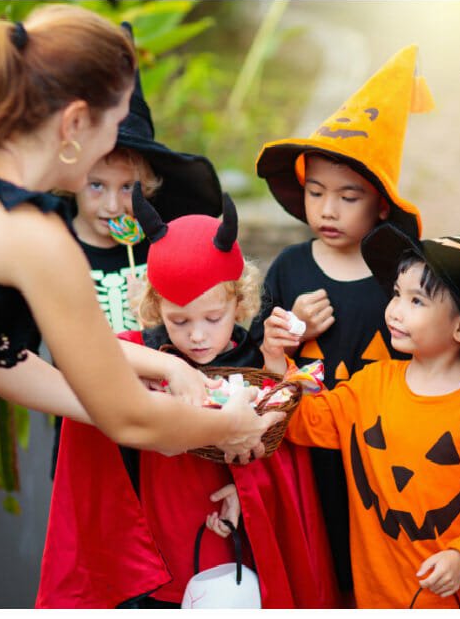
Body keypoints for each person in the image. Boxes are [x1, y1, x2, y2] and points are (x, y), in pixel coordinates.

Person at [0, 1, 278, 521]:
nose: (113, 142)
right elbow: (130, 420)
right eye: (115, 124)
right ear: (75, 122)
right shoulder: (32, 234)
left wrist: (161, 391)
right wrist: (229, 425)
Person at [37, 190, 337, 608]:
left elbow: (273, 438)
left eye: (213, 318)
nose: (197, 335)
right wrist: (172, 369)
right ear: (157, 308)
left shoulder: (249, 358)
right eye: (179, 320)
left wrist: (249, 495)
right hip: (159, 537)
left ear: (239, 302)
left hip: (227, 529)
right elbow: (87, 349)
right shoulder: (151, 353)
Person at [249, 44, 435, 601]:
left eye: (348, 196)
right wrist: (286, 334)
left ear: (380, 204)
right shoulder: (289, 267)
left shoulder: (402, 275)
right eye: (315, 193)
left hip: (382, 456)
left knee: (374, 562)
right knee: (315, 557)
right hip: (307, 447)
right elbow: (264, 355)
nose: (327, 210)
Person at [265, 224, 460, 608]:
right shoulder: (371, 384)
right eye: (397, 294)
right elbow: (301, 423)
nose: (395, 310)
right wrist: (276, 357)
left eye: (417, 302)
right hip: (375, 598)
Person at [47, 23, 225, 478]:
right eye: (96, 185)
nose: (112, 204)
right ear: (72, 182)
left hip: (164, 411)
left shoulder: (159, 248)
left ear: (149, 188)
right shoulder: (54, 250)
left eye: (128, 188)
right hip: (85, 420)